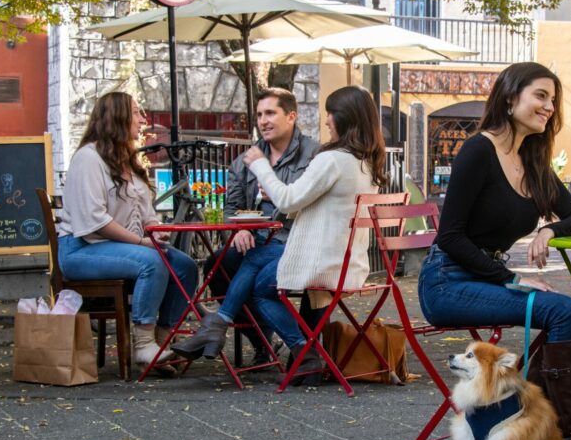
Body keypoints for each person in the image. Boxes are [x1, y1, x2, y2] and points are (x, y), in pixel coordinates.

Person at [417, 62, 571, 440]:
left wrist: (548, 229)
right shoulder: (479, 150)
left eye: (553, 100)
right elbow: (450, 237)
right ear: (510, 97)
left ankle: (528, 426)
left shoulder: (532, 161)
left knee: (568, 314)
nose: (549, 106)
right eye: (540, 96)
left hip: (481, 276)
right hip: (447, 280)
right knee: (563, 312)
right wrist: (510, 278)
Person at [183, 85, 384, 386]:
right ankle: (222, 324)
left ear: (344, 118)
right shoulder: (364, 161)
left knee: (262, 287)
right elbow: (312, 205)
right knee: (253, 259)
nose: (326, 121)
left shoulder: (330, 158)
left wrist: (263, 169)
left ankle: (302, 350)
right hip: (346, 260)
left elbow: (288, 201)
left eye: (329, 114)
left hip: (320, 260)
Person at [56, 92, 199, 369]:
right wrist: (140, 242)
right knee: (152, 262)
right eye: (136, 112)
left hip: (120, 248)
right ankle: (144, 345)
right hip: (81, 249)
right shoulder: (88, 159)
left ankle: (163, 342)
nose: (142, 119)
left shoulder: (128, 161)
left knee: (185, 266)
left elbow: (146, 214)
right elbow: (94, 220)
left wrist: (155, 230)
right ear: (118, 118)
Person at [174, 87, 317, 362]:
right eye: (260, 114)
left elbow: (310, 203)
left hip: (294, 241)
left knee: (254, 269)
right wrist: (239, 228)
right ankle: (262, 340)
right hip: (255, 240)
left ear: (291, 116)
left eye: (271, 113)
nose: (263, 120)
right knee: (218, 267)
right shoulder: (245, 160)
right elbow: (231, 207)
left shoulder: (313, 155)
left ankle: (221, 327)